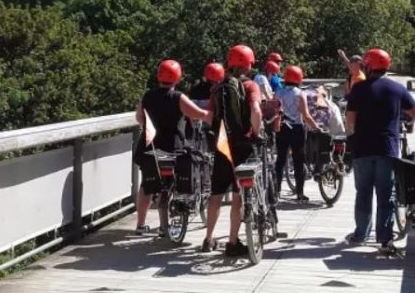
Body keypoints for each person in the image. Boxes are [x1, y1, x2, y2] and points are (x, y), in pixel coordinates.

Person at [345, 48, 415, 253]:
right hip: (387, 149)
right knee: (386, 194)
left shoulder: (358, 89)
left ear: (368, 66)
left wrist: (354, 134)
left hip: (362, 149)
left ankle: (361, 234)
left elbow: (350, 121)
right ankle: (385, 238)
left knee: (363, 193)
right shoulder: (397, 89)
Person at [134, 59, 213, 236]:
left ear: (158, 76)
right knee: (175, 180)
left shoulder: (147, 96)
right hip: (173, 147)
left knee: (147, 184)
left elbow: (139, 117)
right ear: (177, 77)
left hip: (150, 146)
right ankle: (172, 215)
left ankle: (140, 224)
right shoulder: (177, 97)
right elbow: (198, 113)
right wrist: (212, 116)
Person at [202, 45, 263, 256]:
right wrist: (256, 132)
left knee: (216, 194)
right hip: (243, 145)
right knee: (238, 196)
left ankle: (208, 239)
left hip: (222, 145)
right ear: (248, 63)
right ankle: (232, 242)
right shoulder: (250, 86)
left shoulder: (218, 88)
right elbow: (256, 111)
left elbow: (209, 117)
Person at [274, 65, 319, 201]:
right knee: (299, 161)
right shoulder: (300, 93)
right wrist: (316, 127)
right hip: (296, 129)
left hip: (281, 128)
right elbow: (305, 114)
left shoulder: (278, 92)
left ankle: (276, 191)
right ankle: (300, 193)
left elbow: (275, 110)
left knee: (280, 160)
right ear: (299, 78)